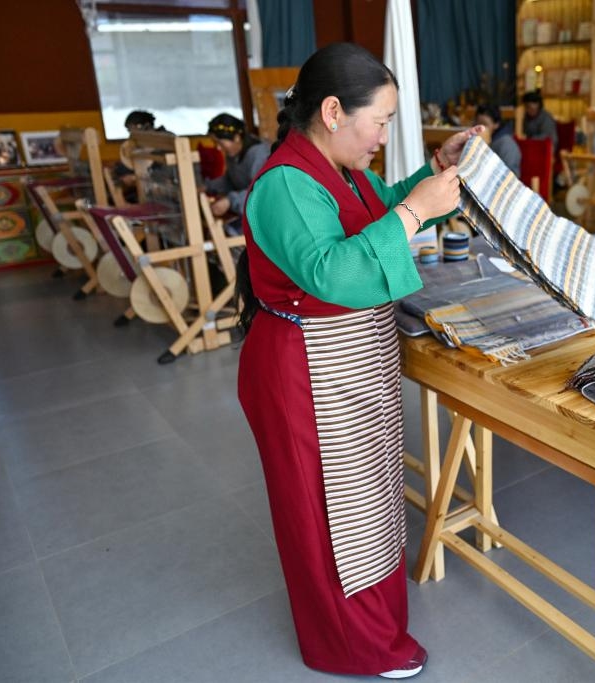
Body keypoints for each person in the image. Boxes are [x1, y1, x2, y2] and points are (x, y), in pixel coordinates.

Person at [234, 42, 482, 679]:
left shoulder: (340, 170)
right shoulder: (286, 182)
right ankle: (355, 647)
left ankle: (377, 620)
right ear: (335, 111)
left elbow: (383, 206)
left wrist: (433, 176)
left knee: (367, 498)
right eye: (382, 121)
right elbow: (331, 271)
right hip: (303, 370)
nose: (382, 137)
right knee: (327, 512)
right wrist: (414, 210)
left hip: (347, 361)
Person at [205, 113, 270, 229]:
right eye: (216, 144)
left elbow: (262, 193)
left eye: (220, 143)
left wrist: (230, 201)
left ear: (236, 138)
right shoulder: (233, 155)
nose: (218, 148)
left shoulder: (259, 154)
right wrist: (207, 187)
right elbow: (230, 180)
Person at [113, 110, 160, 203]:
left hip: (158, 194)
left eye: (131, 130)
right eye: (129, 131)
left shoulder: (161, 142)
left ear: (145, 126)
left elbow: (163, 173)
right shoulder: (137, 144)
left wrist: (136, 177)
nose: (130, 134)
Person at [475, 104, 522, 176]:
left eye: (484, 124)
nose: (480, 128)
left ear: (496, 124)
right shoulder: (482, 140)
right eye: (477, 124)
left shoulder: (507, 144)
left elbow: (511, 176)